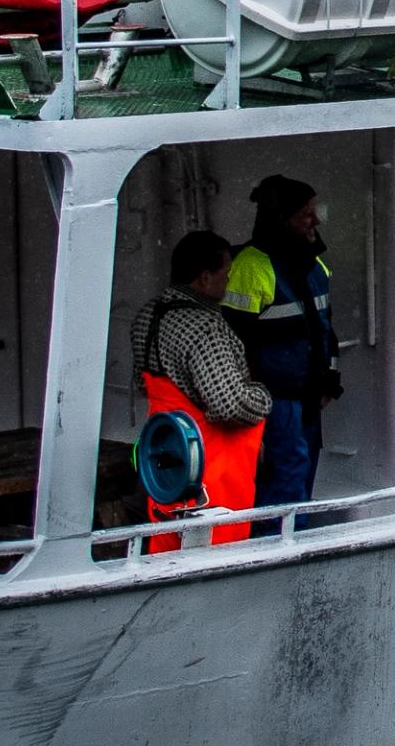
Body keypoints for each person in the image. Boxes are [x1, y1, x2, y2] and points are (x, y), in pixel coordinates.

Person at [131, 230, 268, 548]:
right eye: (227, 273)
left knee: (167, 542)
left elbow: (143, 383)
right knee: (217, 550)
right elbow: (229, 407)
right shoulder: (205, 327)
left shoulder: (147, 317)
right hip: (210, 468)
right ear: (205, 278)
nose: (230, 282)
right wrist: (262, 397)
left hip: (167, 459)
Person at [227, 173, 342, 508]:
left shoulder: (314, 264)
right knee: (280, 489)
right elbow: (236, 341)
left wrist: (329, 382)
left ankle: (294, 544)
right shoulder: (251, 267)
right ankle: (274, 549)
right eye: (306, 213)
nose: (316, 220)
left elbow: (325, 330)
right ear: (282, 219)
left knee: (299, 485)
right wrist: (248, 408)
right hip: (273, 404)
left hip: (306, 401)